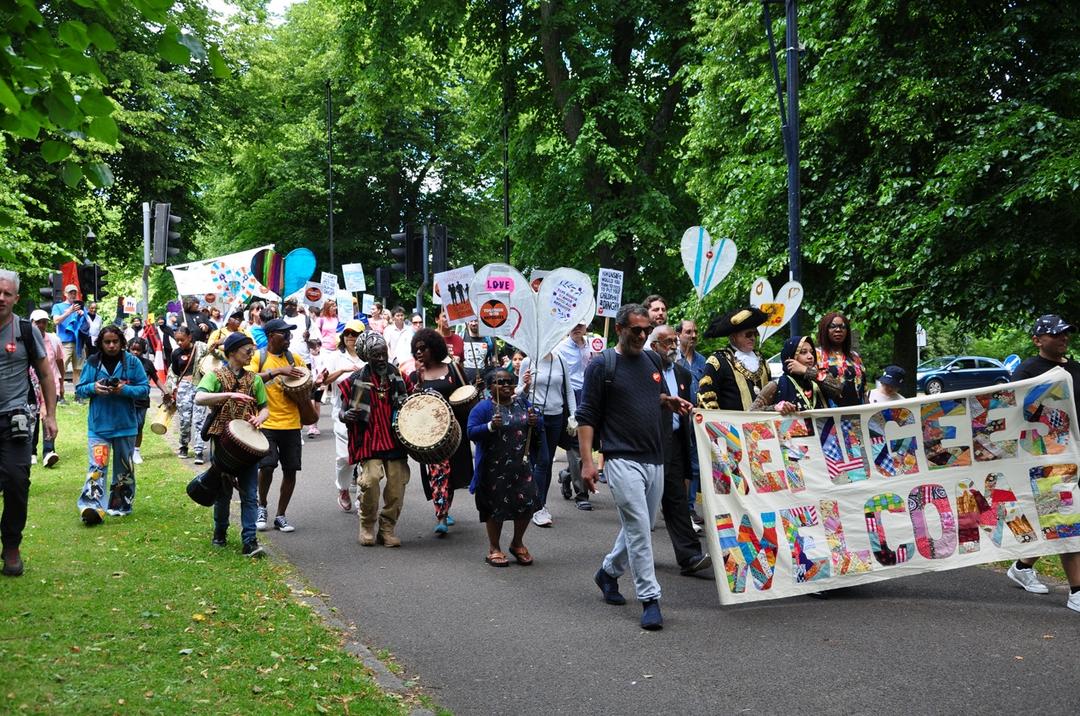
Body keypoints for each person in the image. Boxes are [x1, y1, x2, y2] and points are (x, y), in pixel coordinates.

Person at [577, 304, 693, 631]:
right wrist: (588, 461)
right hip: (620, 457)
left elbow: (647, 395)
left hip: (655, 457)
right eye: (635, 331)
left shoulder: (652, 360)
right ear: (619, 329)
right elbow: (587, 416)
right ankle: (650, 598)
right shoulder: (603, 366)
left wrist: (667, 401)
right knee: (640, 526)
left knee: (640, 525)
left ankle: (608, 573)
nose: (642, 336)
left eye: (645, 331)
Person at [1002, 314, 1080, 612]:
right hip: (1046, 457)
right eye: (1056, 334)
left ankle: (1022, 566)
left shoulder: (1074, 370)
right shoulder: (1027, 372)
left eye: (1066, 333)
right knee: (1065, 518)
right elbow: (1014, 412)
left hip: (1075, 453)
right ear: (1038, 340)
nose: (1064, 338)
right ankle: (1077, 590)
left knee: (1054, 517)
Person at [0, 271, 58, 576]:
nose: (1, 298)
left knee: (17, 482)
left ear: (16, 298)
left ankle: (11, 546)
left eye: (7, 294)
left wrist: (50, 415)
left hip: (15, 420)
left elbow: (46, 374)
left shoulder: (25, 329)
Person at [194, 332, 270, 558]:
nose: (251, 355)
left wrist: (261, 418)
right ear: (233, 352)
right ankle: (220, 532)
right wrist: (228, 395)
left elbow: (264, 407)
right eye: (248, 350)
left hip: (247, 442)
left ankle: (250, 540)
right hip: (222, 440)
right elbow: (199, 397)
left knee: (249, 492)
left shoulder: (254, 379)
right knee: (223, 490)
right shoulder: (215, 376)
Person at [650, 324, 712, 576]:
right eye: (667, 342)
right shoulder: (644, 369)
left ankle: (690, 555)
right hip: (649, 443)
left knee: (676, 499)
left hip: (675, 443)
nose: (673, 346)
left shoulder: (683, 374)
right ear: (654, 347)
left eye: (675, 341)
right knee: (644, 503)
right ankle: (629, 553)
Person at [339, 333, 410, 546]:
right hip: (369, 440)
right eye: (376, 355)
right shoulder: (354, 381)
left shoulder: (400, 377)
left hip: (395, 440)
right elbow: (342, 412)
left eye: (384, 354)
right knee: (369, 482)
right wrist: (347, 415)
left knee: (397, 487)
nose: (381, 359)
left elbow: (413, 404)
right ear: (367, 357)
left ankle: (387, 529)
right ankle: (367, 524)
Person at [75, 325, 149, 524]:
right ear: (101, 343)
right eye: (107, 342)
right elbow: (80, 389)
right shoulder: (92, 362)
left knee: (124, 469)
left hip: (125, 425)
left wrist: (124, 390)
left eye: (115, 341)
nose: (111, 345)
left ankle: (120, 504)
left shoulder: (132, 362)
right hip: (99, 426)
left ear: (122, 342)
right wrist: (94, 387)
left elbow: (144, 390)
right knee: (97, 467)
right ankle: (92, 506)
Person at [468, 367, 541, 566]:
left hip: (521, 466)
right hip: (493, 469)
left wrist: (536, 421)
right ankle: (494, 548)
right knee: (495, 507)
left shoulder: (522, 403)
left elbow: (537, 424)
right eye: (500, 382)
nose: (506, 385)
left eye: (509, 381)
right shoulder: (483, 408)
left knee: (527, 503)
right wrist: (490, 426)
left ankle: (517, 543)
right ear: (490, 387)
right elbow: (471, 432)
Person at [408, 328, 474, 534]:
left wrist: (476, 389)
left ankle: (445, 505)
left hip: (454, 431)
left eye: (423, 348)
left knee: (451, 474)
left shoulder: (453, 369)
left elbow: (466, 394)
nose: (419, 352)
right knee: (438, 472)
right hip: (430, 435)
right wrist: (417, 386)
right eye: (416, 349)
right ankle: (442, 516)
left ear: (434, 348)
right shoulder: (414, 376)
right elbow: (410, 406)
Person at [248, 318, 307, 533]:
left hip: (292, 423)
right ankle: (261, 506)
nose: (288, 338)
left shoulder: (296, 358)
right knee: (267, 466)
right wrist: (277, 371)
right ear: (271, 335)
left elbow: (306, 382)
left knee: (290, 470)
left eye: (290, 334)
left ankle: (281, 515)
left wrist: (316, 382)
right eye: (284, 334)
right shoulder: (258, 357)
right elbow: (249, 379)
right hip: (266, 422)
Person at [516, 350, 575, 527]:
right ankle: (537, 507)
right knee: (541, 461)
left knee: (546, 463)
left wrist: (574, 415)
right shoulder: (528, 361)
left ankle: (539, 502)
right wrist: (526, 386)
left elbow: (569, 390)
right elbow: (519, 392)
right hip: (534, 417)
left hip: (556, 417)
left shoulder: (561, 360)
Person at [323, 320, 366, 509]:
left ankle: (363, 496)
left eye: (355, 334)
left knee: (366, 457)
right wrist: (344, 370)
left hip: (366, 413)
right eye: (347, 333)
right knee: (345, 458)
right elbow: (323, 380)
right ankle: (343, 488)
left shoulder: (367, 356)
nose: (350, 337)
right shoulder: (335, 357)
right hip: (341, 412)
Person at [698, 307, 771, 411]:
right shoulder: (718, 361)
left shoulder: (762, 361)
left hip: (764, 424)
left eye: (755, 334)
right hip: (731, 425)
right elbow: (706, 398)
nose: (753, 338)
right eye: (748, 334)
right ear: (733, 337)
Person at [557, 323, 594, 507]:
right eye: (572, 324)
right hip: (572, 397)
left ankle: (568, 474)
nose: (576, 328)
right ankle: (582, 495)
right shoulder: (560, 348)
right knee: (575, 445)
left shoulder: (594, 344)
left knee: (592, 444)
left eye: (580, 324)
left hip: (592, 396)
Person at [675, 319, 707, 528]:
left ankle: (689, 507)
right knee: (676, 463)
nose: (693, 335)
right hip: (676, 417)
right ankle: (673, 504)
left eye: (695, 331)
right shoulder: (673, 358)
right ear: (679, 334)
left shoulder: (702, 361)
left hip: (696, 418)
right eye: (688, 332)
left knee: (695, 465)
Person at [750, 335, 834, 413]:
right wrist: (775, 408)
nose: (810, 356)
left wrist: (806, 371)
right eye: (803, 352)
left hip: (821, 429)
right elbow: (752, 411)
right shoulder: (776, 384)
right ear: (791, 357)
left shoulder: (816, 380)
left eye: (811, 352)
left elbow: (838, 389)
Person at [167, 325, 210, 463]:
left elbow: (213, 354)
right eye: (177, 340)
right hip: (184, 388)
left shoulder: (200, 348)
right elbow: (174, 372)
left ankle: (198, 450)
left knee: (199, 420)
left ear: (189, 337)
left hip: (200, 387)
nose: (179, 343)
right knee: (185, 420)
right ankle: (183, 446)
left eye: (182, 339)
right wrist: (172, 389)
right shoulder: (175, 353)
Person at [29, 310, 64, 467]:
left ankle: (49, 451)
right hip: (31, 386)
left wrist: (62, 383)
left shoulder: (54, 339)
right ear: (31, 323)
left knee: (49, 415)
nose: (41, 325)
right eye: (38, 322)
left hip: (51, 385)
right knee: (33, 417)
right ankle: (31, 451)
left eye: (44, 321)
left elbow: (59, 361)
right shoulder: (25, 340)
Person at [815, 311, 866, 407]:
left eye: (843, 327)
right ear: (825, 329)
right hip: (829, 416)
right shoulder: (816, 355)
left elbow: (864, 389)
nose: (838, 330)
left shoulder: (854, 357)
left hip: (857, 416)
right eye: (833, 326)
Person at [51, 284, 84, 393]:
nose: (73, 295)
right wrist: (69, 311)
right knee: (61, 369)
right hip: (64, 342)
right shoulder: (58, 307)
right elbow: (56, 321)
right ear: (65, 294)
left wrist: (83, 315)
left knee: (78, 369)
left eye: (75, 292)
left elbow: (87, 324)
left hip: (79, 342)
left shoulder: (81, 306)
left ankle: (78, 394)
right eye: (70, 292)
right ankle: (60, 394)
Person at [281, 298, 312, 369]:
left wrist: (307, 339)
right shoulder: (281, 320)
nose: (284, 307)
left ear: (294, 306)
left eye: (286, 305)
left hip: (304, 361)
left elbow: (317, 342)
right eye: (284, 305)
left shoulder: (306, 320)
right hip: (286, 361)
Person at [462, 320, 496, 384]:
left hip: (483, 380)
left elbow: (493, 359)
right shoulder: (461, 337)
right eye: (471, 321)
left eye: (476, 321)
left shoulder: (489, 339)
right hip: (464, 381)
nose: (473, 323)